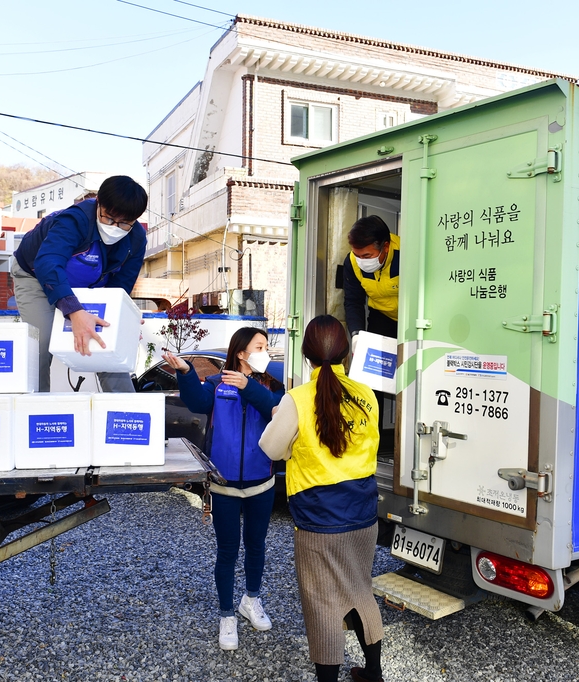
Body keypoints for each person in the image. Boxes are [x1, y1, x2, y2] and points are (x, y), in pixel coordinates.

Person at [259, 315, 385, 682]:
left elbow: (270, 447)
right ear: (346, 353)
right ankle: (373, 674)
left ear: (306, 355)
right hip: (363, 514)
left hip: (318, 520)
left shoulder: (296, 399)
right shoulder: (366, 396)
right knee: (361, 590)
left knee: (323, 605)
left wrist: (283, 430)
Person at [161, 328, 283, 651]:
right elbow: (196, 400)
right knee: (227, 550)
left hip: (262, 484)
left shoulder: (271, 386)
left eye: (267, 346)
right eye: (260, 346)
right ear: (241, 353)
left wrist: (247, 388)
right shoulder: (216, 384)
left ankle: (251, 600)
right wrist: (186, 373)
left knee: (256, 545)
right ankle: (227, 614)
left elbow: (274, 409)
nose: (265, 352)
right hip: (225, 486)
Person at [11, 175, 148, 393]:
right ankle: (34, 412)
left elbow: (120, 288)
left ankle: (125, 414)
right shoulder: (74, 220)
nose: (115, 227)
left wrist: (122, 321)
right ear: (98, 204)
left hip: (90, 286)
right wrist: (74, 311)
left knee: (108, 339)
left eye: (124, 223)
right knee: (40, 342)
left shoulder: (137, 239)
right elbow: (48, 263)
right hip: (36, 276)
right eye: (109, 218)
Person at [342, 215, 400, 339]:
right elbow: (353, 301)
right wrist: (356, 334)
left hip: (412, 317)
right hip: (381, 316)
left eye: (367, 256)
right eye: (358, 255)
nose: (361, 261)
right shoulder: (352, 262)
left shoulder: (405, 254)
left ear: (385, 247)